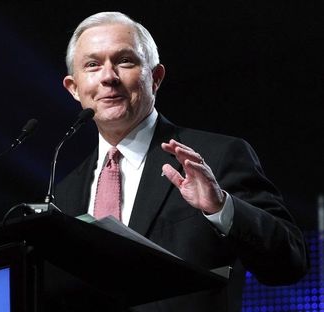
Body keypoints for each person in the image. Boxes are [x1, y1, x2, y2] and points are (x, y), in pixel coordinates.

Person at [54, 11, 309, 312]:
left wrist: (221, 208)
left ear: (156, 77)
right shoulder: (64, 193)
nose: (109, 77)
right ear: (74, 87)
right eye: (92, 65)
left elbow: (291, 262)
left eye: (124, 61)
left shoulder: (216, 157)